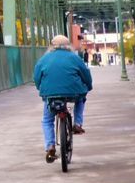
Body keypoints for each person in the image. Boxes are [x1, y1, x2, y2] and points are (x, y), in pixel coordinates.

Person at [34, 35, 92, 163]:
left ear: (51, 46)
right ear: (68, 46)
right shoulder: (74, 58)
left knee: (47, 120)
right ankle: (77, 123)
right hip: (73, 92)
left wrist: (41, 89)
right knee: (81, 98)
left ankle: (50, 146)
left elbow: (37, 77)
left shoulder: (44, 59)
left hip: (51, 94)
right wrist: (88, 86)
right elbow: (85, 74)